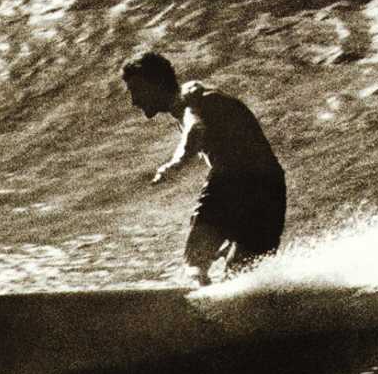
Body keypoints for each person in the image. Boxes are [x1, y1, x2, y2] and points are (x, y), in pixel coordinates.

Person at [121, 51, 286, 286]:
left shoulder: (191, 102)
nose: (134, 101)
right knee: (241, 277)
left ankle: (201, 300)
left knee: (195, 261)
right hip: (271, 189)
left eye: (137, 90)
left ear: (156, 83)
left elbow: (195, 129)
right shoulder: (195, 95)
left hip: (234, 182)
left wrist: (175, 164)